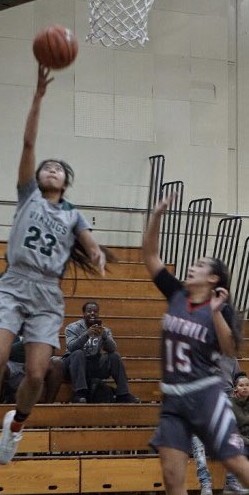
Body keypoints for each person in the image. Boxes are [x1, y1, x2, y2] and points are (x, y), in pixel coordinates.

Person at [0, 64, 116, 476]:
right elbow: (29, 141)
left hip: (48, 292)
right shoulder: (28, 195)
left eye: (57, 168)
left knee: (37, 373)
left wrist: (98, 254)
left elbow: (88, 241)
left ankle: (16, 425)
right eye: (46, 166)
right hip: (14, 283)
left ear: (65, 182)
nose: (50, 169)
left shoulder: (72, 213)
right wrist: (37, 96)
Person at [143, 195, 249, 495]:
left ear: (213, 278)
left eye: (200, 265)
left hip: (205, 395)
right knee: (171, 477)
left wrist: (215, 313)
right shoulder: (177, 294)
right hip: (173, 398)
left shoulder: (221, 309)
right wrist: (156, 216)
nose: (191, 267)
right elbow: (150, 256)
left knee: (236, 463)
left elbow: (230, 350)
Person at [62, 300, 139, 403]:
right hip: (74, 364)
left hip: (93, 363)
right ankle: (80, 393)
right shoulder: (73, 327)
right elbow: (71, 347)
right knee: (78, 353)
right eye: (89, 311)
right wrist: (86, 334)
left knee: (114, 356)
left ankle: (123, 394)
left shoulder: (104, 330)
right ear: (83, 314)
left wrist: (104, 337)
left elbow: (112, 348)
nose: (92, 313)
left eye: (95, 311)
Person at [192, 358, 248, 495]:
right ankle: (205, 483)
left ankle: (232, 482)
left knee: (232, 437)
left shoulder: (231, 359)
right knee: (197, 439)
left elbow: (238, 380)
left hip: (226, 404)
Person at [231, 374, 249, 458]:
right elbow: (232, 432)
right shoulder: (229, 404)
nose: (245, 388)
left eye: (247, 385)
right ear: (235, 388)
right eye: (241, 385)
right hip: (239, 443)